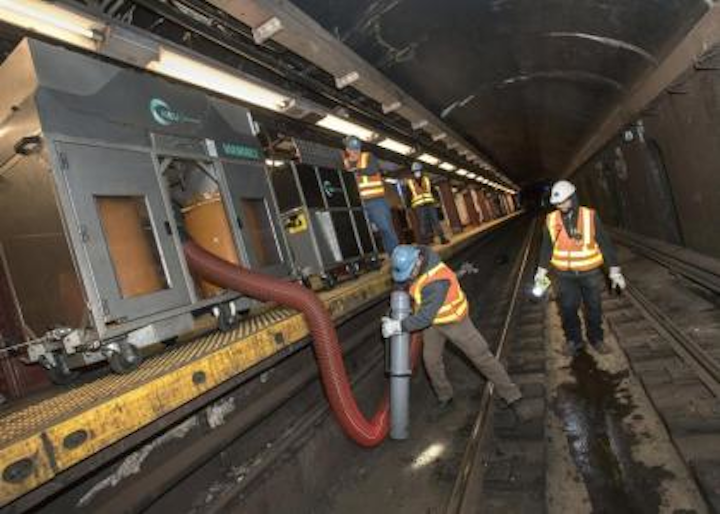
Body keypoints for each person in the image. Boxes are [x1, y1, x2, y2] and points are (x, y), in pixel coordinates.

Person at [382, 245, 532, 422]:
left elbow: (423, 318)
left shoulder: (436, 283)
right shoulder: (417, 259)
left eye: (408, 273)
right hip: (434, 324)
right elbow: (419, 299)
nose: (407, 278)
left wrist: (398, 326)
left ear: (417, 262)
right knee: (431, 361)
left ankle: (514, 397)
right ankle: (446, 397)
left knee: (481, 357)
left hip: (455, 322)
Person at [534, 180, 626, 357]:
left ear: (573, 198)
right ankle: (573, 340)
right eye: (557, 203)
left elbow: (605, 244)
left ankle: (596, 338)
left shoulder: (589, 216)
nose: (561, 206)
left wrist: (614, 270)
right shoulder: (551, 220)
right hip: (564, 275)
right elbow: (546, 247)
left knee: (594, 307)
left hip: (589, 273)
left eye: (564, 202)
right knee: (567, 308)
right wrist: (541, 272)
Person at [342, 136, 399, 255]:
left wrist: (356, 171)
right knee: (364, 232)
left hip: (376, 201)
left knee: (386, 228)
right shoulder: (345, 164)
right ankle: (372, 257)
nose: (355, 151)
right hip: (358, 204)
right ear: (347, 149)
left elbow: (372, 169)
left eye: (357, 148)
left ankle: (396, 255)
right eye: (352, 149)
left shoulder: (368, 157)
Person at [406, 162, 449, 245]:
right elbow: (408, 195)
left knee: (436, 221)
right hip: (419, 206)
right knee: (423, 224)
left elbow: (433, 191)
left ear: (421, 171)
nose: (417, 173)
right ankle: (426, 241)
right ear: (413, 173)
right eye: (415, 171)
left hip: (430, 204)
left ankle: (442, 238)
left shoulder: (427, 180)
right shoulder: (410, 183)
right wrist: (408, 207)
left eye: (418, 171)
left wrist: (438, 200)